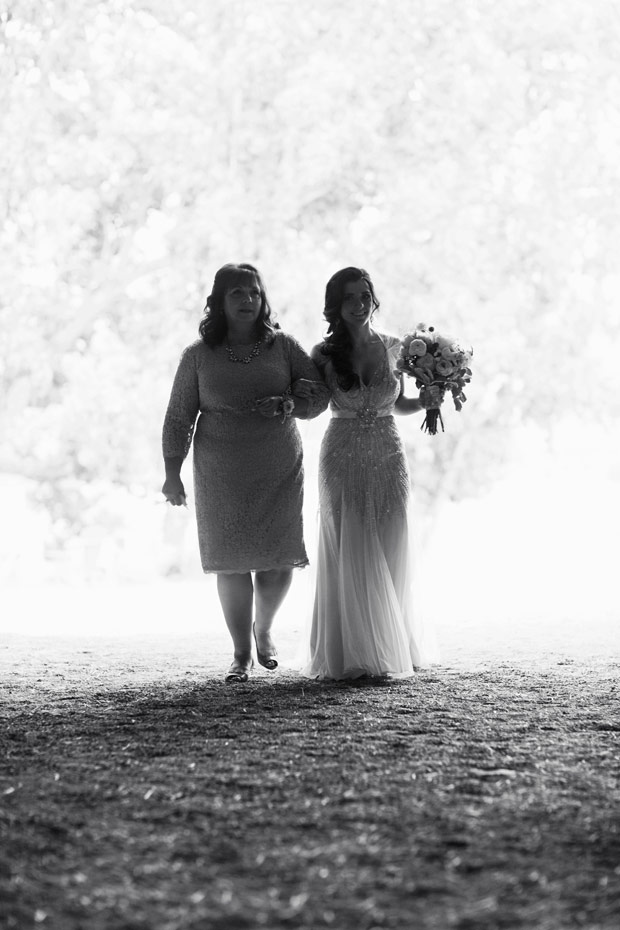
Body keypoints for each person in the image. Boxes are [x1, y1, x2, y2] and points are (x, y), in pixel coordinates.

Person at [162, 263, 329, 683]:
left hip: (277, 463)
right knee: (231, 564)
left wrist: (289, 403)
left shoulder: (283, 347)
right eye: (237, 293)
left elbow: (318, 395)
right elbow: (178, 416)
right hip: (220, 468)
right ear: (219, 301)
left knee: (278, 558)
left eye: (253, 292)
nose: (247, 300)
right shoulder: (197, 356)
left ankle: (264, 629)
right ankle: (240, 653)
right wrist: (172, 472)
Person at [302, 267, 441, 680]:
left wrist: (426, 401)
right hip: (341, 450)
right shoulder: (322, 355)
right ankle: (353, 651)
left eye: (365, 295)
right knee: (351, 535)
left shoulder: (397, 347)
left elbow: (397, 403)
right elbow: (313, 403)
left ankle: (392, 640)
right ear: (336, 305)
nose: (360, 304)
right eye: (350, 297)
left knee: (392, 534)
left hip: (387, 449)